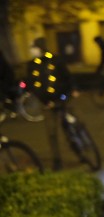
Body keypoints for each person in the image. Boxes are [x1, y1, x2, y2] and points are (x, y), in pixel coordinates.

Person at [25, 37, 77, 170]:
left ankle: (77, 146)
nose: (33, 50)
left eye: (35, 47)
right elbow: (31, 83)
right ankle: (57, 159)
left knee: (69, 124)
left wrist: (71, 91)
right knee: (52, 133)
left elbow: (67, 76)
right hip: (46, 103)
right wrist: (44, 100)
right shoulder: (32, 64)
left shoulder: (55, 59)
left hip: (62, 99)